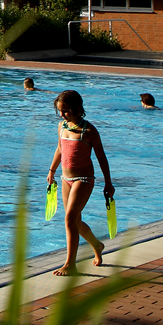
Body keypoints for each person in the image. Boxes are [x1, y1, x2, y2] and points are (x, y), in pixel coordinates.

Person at [45, 89, 113, 276]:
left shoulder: (89, 131)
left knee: (69, 219)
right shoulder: (62, 127)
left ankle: (70, 264)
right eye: (60, 110)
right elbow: (60, 149)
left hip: (83, 179)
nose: (62, 114)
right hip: (65, 179)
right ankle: (97, 245)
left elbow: (102, 159)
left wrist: (108, 183)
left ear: (76, 108)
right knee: (75, 221)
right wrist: (52, 170)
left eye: (65, 110)